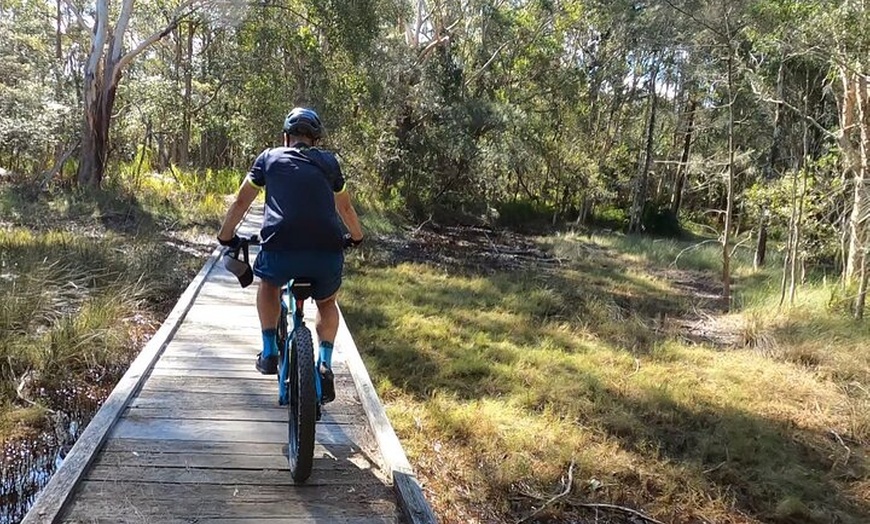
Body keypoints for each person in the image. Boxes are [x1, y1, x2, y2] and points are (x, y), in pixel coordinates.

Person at [216, 107, 364, 403]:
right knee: (326, 301)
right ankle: (324, 361)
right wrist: (357, 237)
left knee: (269, 285)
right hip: (326, 252)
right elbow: (345, 208)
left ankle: (269, 350)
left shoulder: (268, 159)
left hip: (280, 249)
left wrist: (226, 235)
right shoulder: (329, 163)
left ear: (286, 137)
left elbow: (242, 201)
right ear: (315, 141)